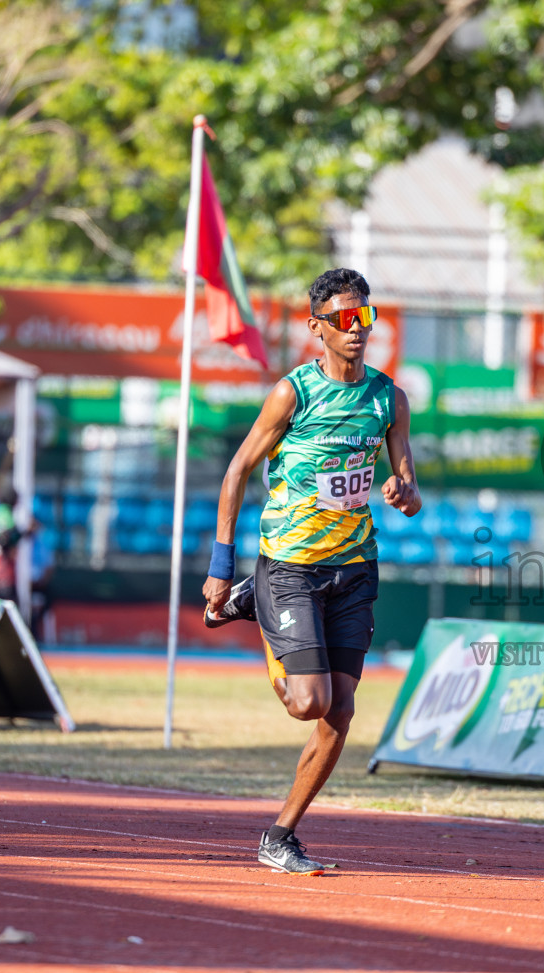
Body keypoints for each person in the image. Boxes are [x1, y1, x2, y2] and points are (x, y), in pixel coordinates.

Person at [204, 267, 421, 876]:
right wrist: (221, 566)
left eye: (366, 318)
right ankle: (254, 600)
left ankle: (281, 835)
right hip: (291, 566)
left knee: (341, 712)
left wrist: (403, 493)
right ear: (317, 328)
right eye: (345, 320)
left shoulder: (389, 399)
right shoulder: (292, 394)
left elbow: (409, 486)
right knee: (307, 702)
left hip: (355, 567)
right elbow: (237, 470)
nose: (358, 330)